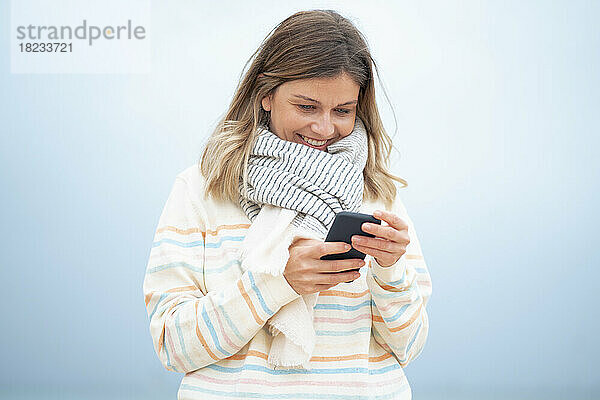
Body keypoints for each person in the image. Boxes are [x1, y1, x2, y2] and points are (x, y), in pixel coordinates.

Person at [143, 9, 432, 400]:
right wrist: (277, 283)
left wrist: (390, 270)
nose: (324, 128)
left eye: (343, 111)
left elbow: (408, 347)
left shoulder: (378, 194)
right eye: (307, 107)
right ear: (265, 94)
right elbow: (173, 346)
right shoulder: (202, 189)